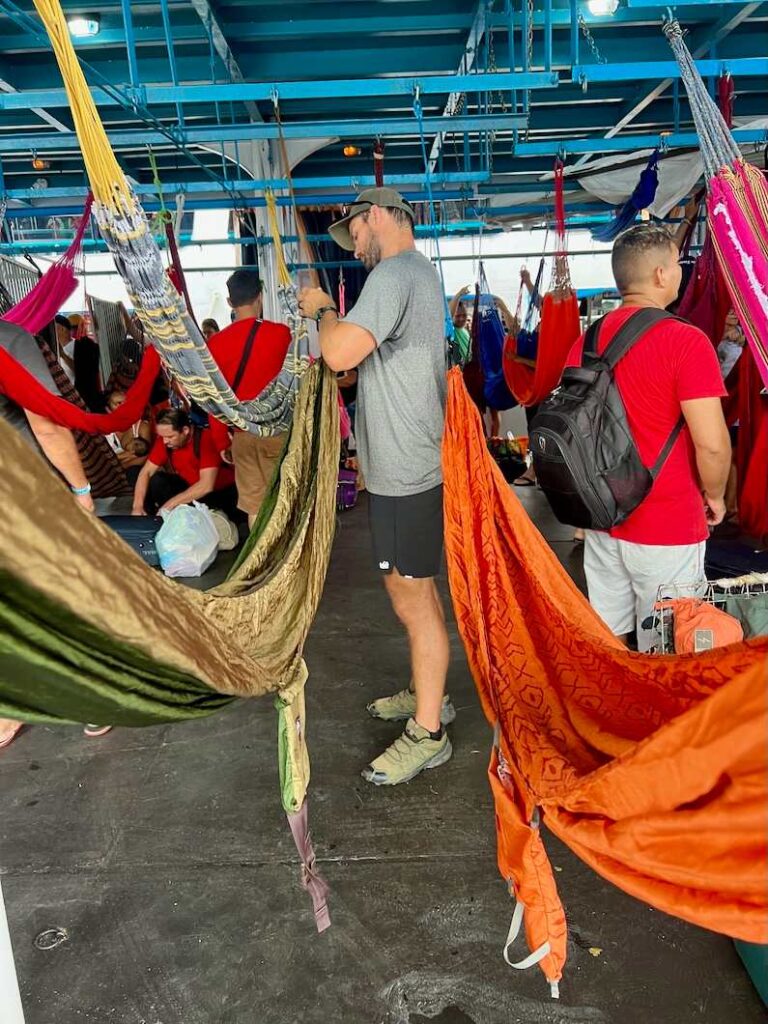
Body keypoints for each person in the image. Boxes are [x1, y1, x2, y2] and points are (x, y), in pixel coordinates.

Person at [298, 186, 454, 787]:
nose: (354, 243)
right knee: (409, 589)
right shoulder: (414, 275)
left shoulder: (394, 274)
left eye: (356, 231)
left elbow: (338, 354)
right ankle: (427, 693)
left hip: (408, 471)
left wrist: (319, 310)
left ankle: (429, 732)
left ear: (381, 216)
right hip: (405, 467)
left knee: (411, 596)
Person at [567, 224, 731, 650]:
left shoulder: (586, 341)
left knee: (611, 638)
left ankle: (620, 714)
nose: (680, 272)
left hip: (604, 516)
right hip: (668, 523)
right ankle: (666, 717)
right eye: (676, 264)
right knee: (673, 644)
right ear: (660, 275)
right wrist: (715, 496)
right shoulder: (686, 341)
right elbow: (711, 443)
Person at [0, 320, 104, 748]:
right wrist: (82, 490)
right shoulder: (10, 340)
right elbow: (46, 422)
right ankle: (98, 697)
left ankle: (10, 710)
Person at [206, 270, 292, 527]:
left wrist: (222, 441)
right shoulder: (282, 334)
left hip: (242, 434)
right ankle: (287, 560)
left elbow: (214, 398)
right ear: (260, 296)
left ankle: (261, 559)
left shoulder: (216, 344)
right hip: (279, 431)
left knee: (254, 505)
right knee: (284, 498)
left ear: (231, 303)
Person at [131, 408, 238, 518]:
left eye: (170, 436)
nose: (164, 441)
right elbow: (146, 472)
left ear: (185, 430)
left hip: (219, 494)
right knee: (137, 473)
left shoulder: (205, 439)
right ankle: (147, 519)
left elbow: (206, 485)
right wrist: (137, 506)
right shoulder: (165, 441)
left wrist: (169, 505)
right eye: (162, 436)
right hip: (190, 488)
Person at [104, 388, 153, 484]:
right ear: (108, 410)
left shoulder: (141, 426)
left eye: (125, 402)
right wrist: (130, 455)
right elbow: (104, 459)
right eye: (118, 403)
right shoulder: (105, 431)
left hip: (137, 474)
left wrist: (120, 466)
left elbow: (145, 457)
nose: (124, 406)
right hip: (111, 483)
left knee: (133, 472)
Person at [54, 313, 76, 383]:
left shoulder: (76, 346)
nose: (53, 331)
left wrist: (63, 355)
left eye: (54, 328)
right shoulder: (58, 348)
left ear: (63, 329)